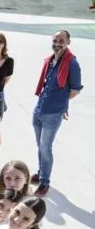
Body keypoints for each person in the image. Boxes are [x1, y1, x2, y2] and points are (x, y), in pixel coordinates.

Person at [31, 30, 82, 197]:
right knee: (40, 145)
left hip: (53, 113)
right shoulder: (49, 61)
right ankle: (41, 172)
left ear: (68, 42)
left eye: (61, 40)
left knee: (46, 147)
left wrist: (60, 102)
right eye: (55, 40)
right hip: (39, 109)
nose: (57, 43)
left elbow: (75, 90)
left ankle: (45, 181)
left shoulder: (72, 63)